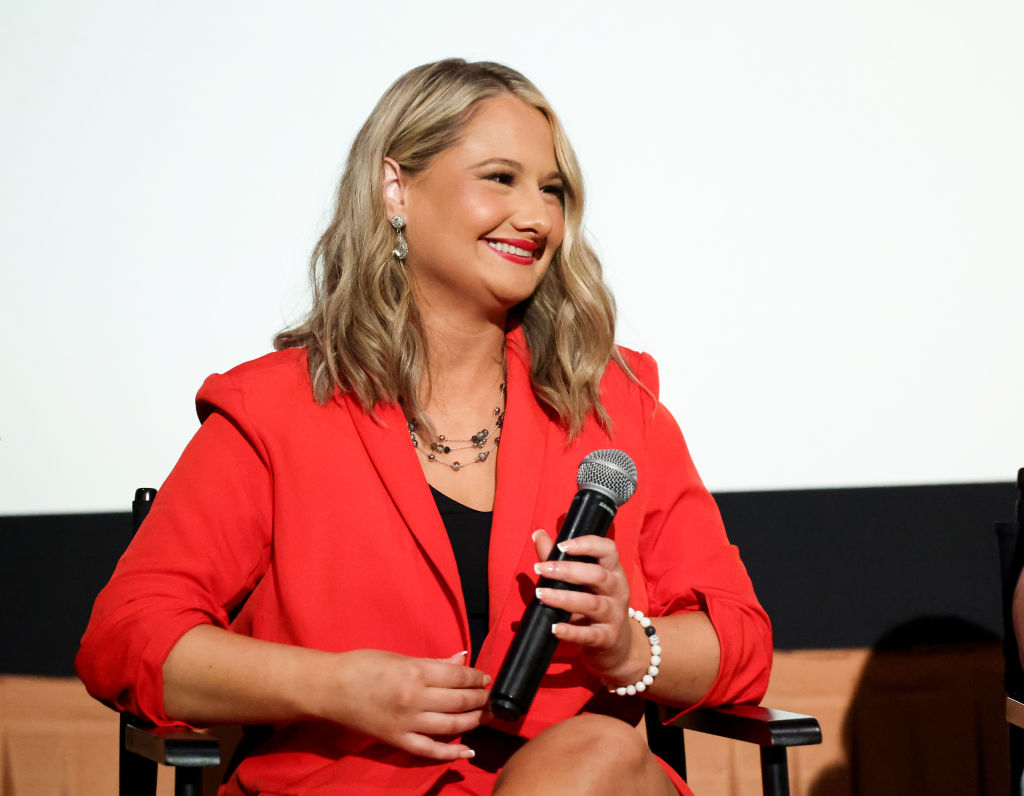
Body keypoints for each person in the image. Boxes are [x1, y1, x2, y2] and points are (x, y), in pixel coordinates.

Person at [76, 59, 772, 795]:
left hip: (568, 783)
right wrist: (336, 687)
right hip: (341, 784)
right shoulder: (273, 410)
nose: (536, 217)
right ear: (396, 188)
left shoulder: (614, 405)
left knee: (601, 751)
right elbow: (127, 640)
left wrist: (629, 645)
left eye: (553, 191)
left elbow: (740, 645)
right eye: (501, 179)